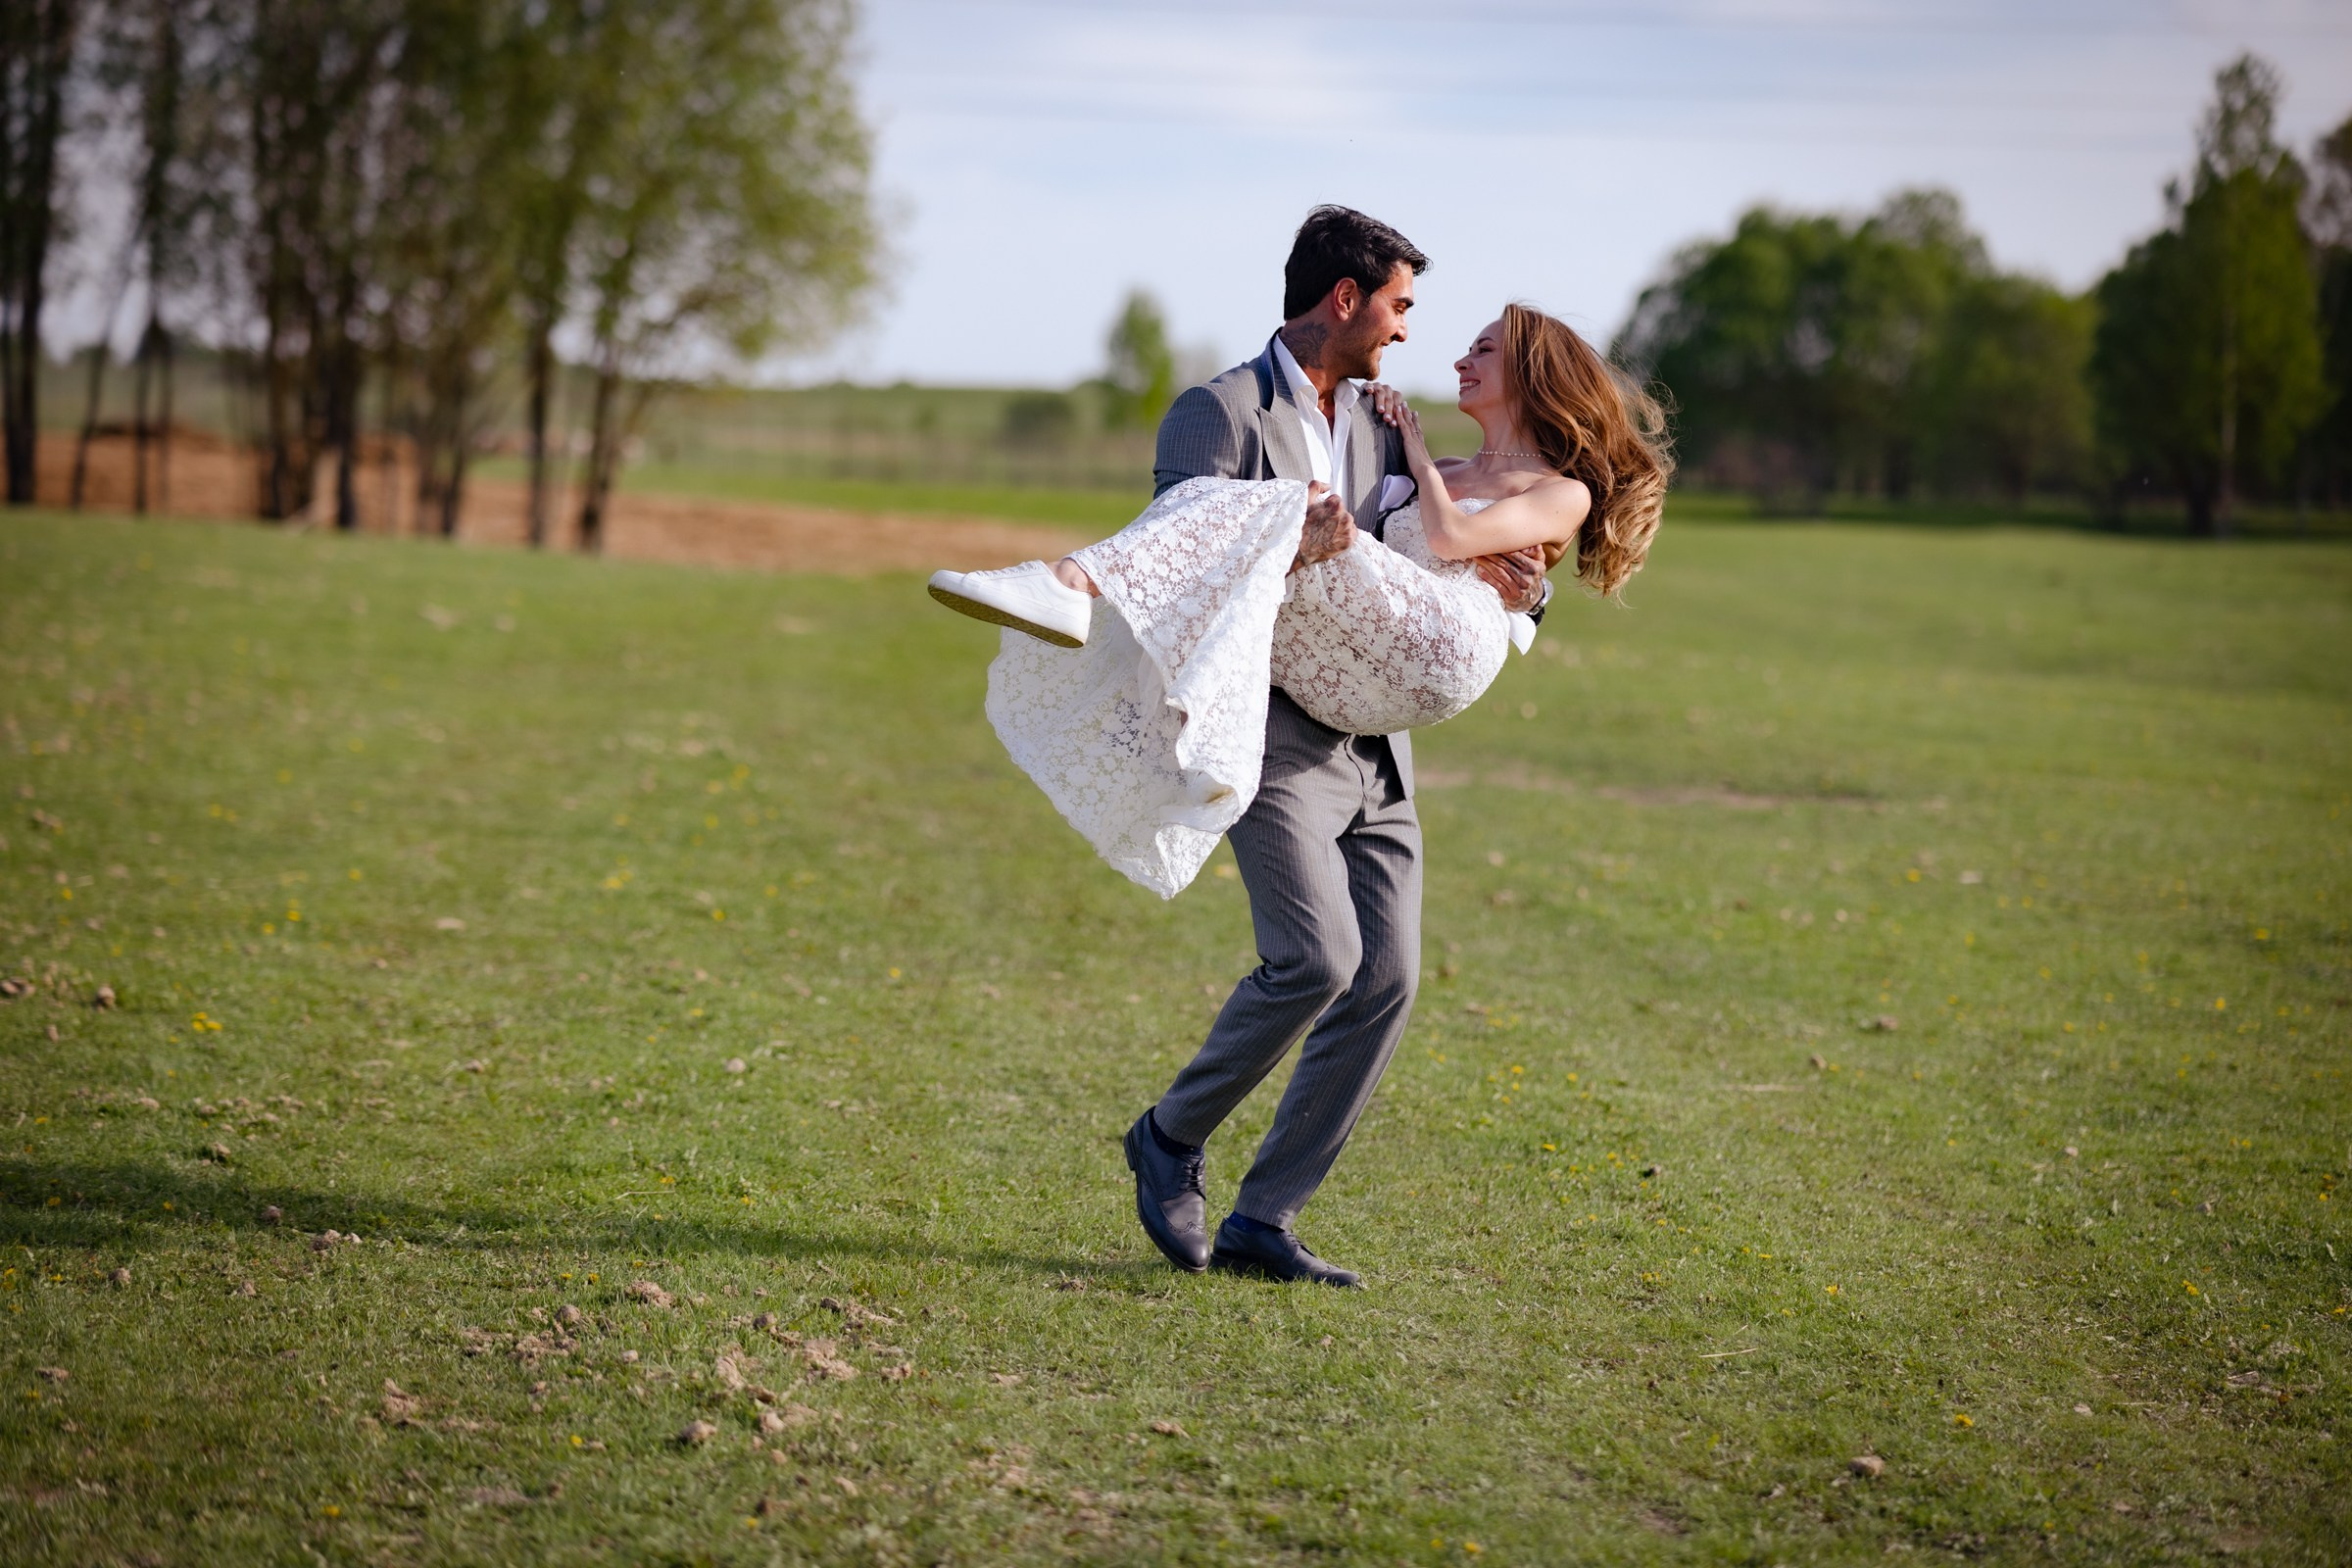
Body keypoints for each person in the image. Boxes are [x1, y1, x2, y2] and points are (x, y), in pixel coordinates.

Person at [930, 208, 1670, 1286]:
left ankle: (1263, 1219)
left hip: (1381, 744)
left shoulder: (1384, 420)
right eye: (1403, 306)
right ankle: (1170, 1139)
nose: (1416, 334)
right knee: (1317, 958)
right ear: (1346, 298)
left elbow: (1458, 546)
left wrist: (1531, 591)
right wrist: (1297, 546)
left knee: (1391, 979)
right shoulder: (1219, 409)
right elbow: (1188, 560)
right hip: (1276, 722)